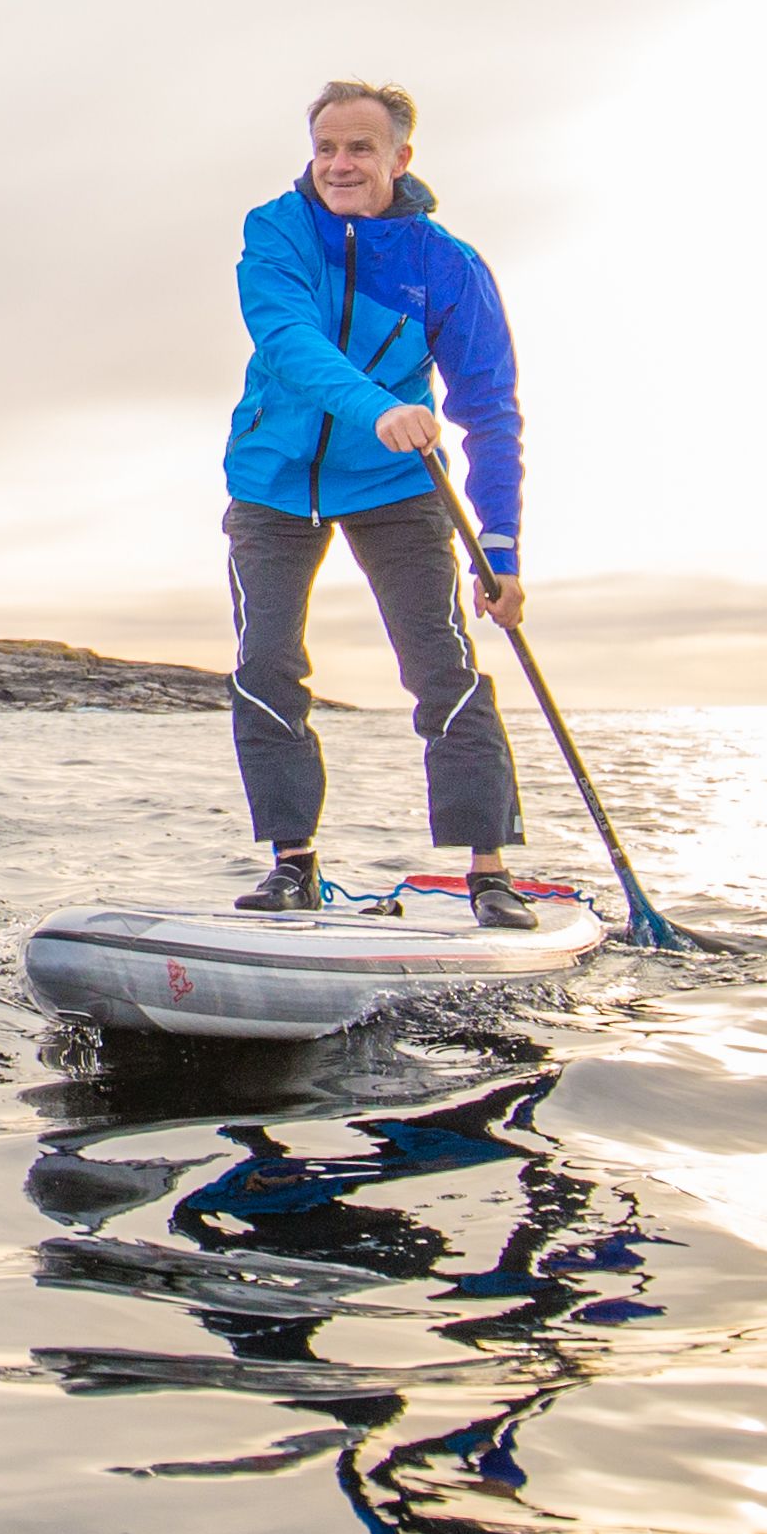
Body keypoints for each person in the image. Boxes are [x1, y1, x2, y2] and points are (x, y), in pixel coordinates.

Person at [218, 78, 539, 925]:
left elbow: (490, 409)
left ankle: (488, 868)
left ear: (401, 156)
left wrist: (500, 553)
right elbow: (287, 340)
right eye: (326, 146)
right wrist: (379, 407)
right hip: (274, 480)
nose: (339, 163)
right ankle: (294, 863)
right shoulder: (277, 231)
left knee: (441, 664)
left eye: (360, 147)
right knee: (266, 665)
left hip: (398, 485)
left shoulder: (447, 266)